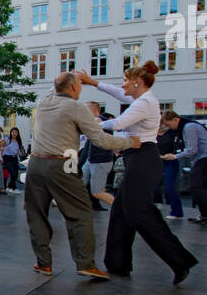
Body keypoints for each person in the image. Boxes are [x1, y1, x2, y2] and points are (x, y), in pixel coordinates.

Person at [80, 65, 193, 282]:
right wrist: (93, 82)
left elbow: (119, 123)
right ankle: (117, 263)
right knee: (121, 212)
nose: (123, 85)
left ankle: (180, 260)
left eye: (125, 80)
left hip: (144, 158)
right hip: (137, 158)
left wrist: (90, 123)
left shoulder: (145, 102)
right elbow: (117, 92)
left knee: (139, 212)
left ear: (137, 82)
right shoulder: (140, 99)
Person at [25, 72, 138, 279]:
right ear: (74, 88)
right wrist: (130, 143)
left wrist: (71, 76)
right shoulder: (77, 107)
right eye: (79, 85)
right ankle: (85, 262)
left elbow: (57, 87)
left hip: (35, 163)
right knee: (80, 212)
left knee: (36, 214)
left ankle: (43, 263)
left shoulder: (43, 102)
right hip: (63, 162)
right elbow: (100, 139)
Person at [163, 112, 207, 224]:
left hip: (205, 157)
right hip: (204, 157)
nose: (169, 127)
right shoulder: (188, 125)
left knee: (195, 187)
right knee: (199, 187)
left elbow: (192, 150)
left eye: (168, 124)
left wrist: (174, 156)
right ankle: (204, 214)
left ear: (176, 119)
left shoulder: (188, 127)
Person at [81, 101, 117, 211]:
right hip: (91, 160)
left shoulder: (102, 121)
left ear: (94, 111)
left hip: (101, 161)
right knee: (78, 185)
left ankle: (123, 210)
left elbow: (110, 124)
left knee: (97, 192)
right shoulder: (92, 122)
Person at [156, 119, 184, 217]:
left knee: (169, 187)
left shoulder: (172, 132)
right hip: (157, 161)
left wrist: (175, 154)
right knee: (152, 184)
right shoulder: (153, 132)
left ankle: (177, 212)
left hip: (170, 160)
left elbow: (179, 144)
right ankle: (156, 203)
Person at [3, 128, 24, 192]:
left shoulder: (18, 141)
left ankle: (10, 186)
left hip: (14, 158)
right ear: (11, 133)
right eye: (13, 132)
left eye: (16, 132)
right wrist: (3, 148)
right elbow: (0, 145)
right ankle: (12, 187)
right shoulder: (7, 140)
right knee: (13, 173)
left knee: (16, 173)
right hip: (7, 158)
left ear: (18, 134)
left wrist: (20, 153)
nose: (14, 133)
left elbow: (19, 150)